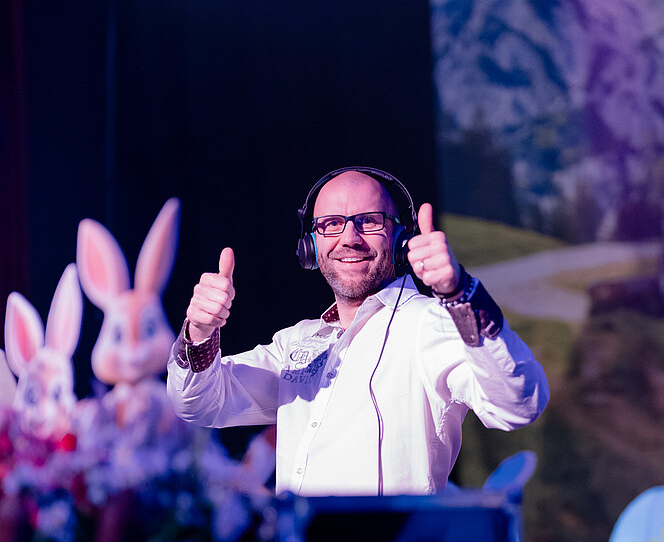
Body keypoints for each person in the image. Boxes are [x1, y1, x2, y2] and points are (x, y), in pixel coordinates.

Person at [166, 166, 549, 495]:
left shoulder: (429, 323)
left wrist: (461, 293)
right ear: (311, 245)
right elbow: (199, 404)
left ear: (400, 238)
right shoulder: (295, 342)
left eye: (369, 221)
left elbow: (520, 404)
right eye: (331, 224)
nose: (349, 238)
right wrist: (199, 332)